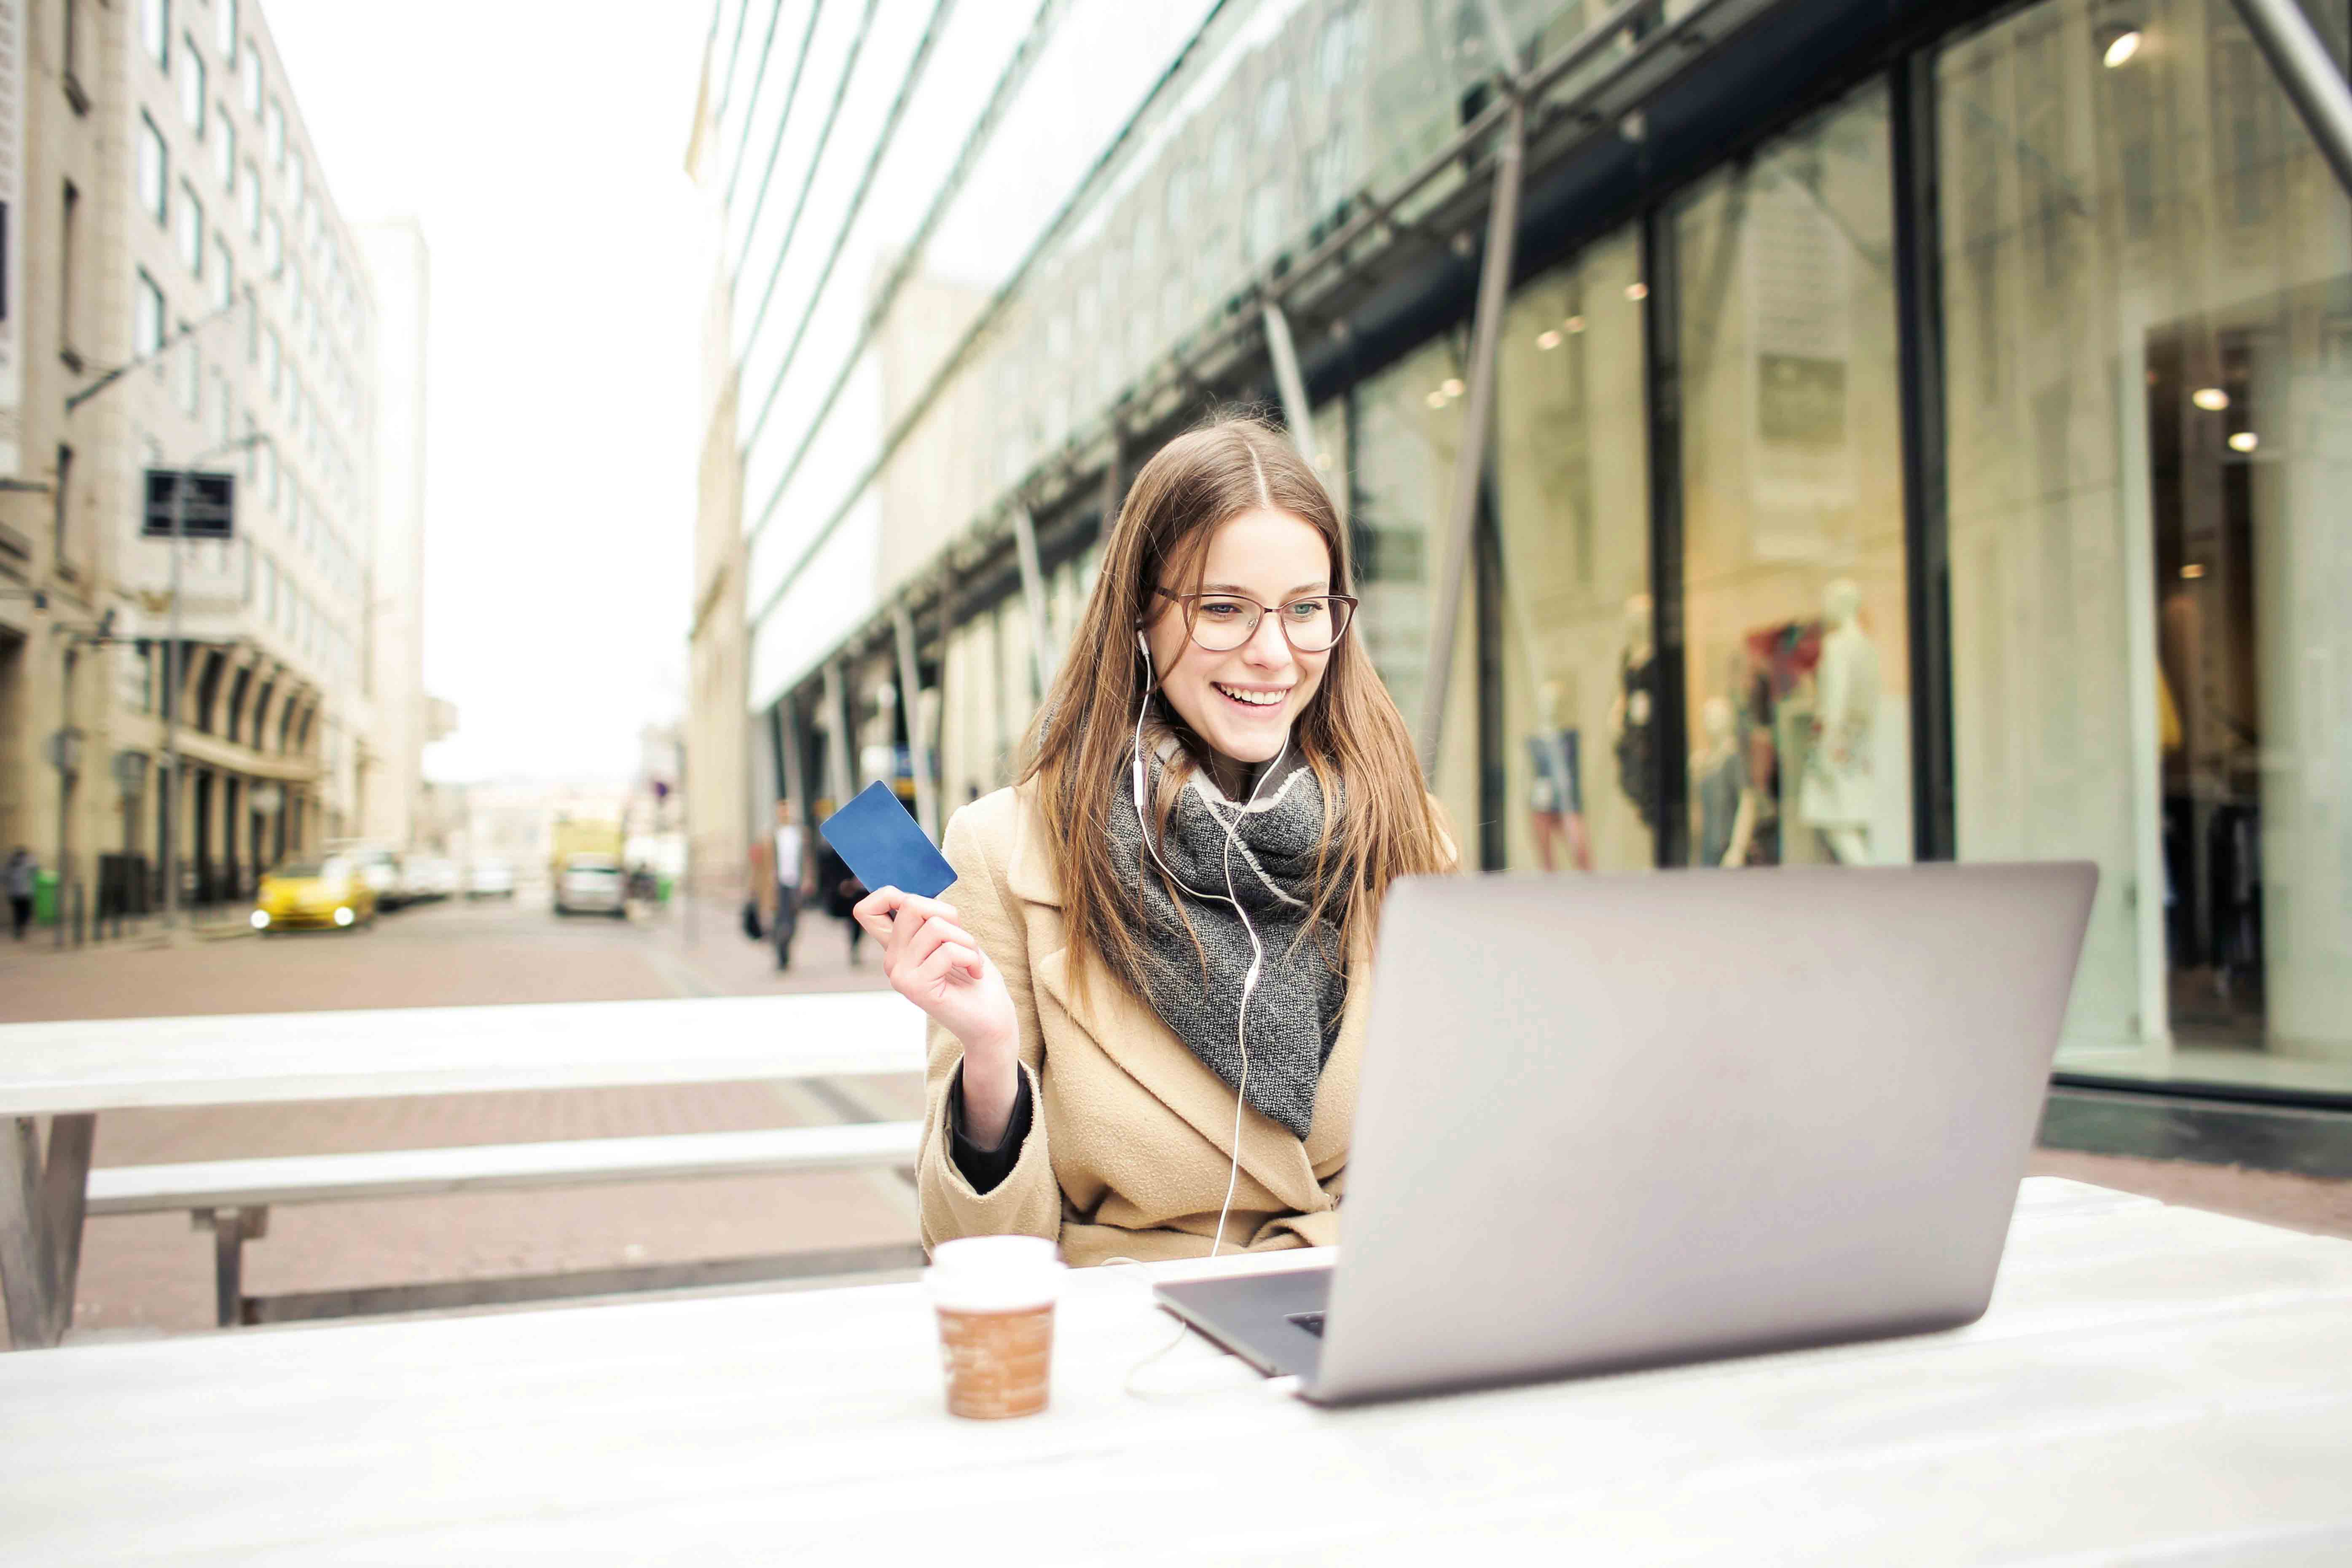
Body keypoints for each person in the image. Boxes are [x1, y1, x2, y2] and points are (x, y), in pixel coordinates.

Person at [855, 418, 1454, 1267]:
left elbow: (1453, 1156)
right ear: (1141, 614)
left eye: (1305, 610)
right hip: (1137, 1352)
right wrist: (989, 1062)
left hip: (1358, 1321)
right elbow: (979, 1255)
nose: (1274, 655)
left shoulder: (1406, 832)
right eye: (1223, 610)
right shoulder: (1005, 851)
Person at [770, 799, 808, 970]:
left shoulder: (800, 833)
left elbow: (807, 859)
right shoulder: (772, 834)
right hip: (778, 884)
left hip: (795, 883)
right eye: (782, 811)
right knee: (780, 922)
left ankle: (785, 949)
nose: (785, 814)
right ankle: (782, 956)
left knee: (793, 922)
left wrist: (808, 878)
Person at [5, 847, 35, 940]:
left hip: (15, 894)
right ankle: (20, 929)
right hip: (24, 893)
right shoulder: (27, 864)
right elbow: (36, 867)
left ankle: (19, 929)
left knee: (19, 913)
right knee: (24, 913)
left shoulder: (11, 866)